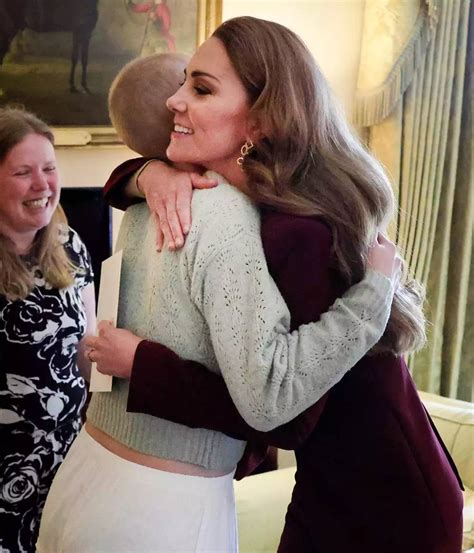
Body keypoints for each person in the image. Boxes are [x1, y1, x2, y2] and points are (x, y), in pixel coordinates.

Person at [96, 18, 462, 553]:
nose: (174, 100)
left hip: (386, 498)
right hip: (329, 482)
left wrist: (141, 365)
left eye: (201, 88)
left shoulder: (296, 233)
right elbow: (116, 183)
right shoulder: (247, 207)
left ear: (260, 121)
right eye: (182, 83)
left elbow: (285, 417)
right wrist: (148, 174)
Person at [0, 107, 96, 553]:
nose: (42, 184)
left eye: (49, 168)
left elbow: (88, 348)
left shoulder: (70, 246)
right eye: (23, 172)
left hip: (65, 465)